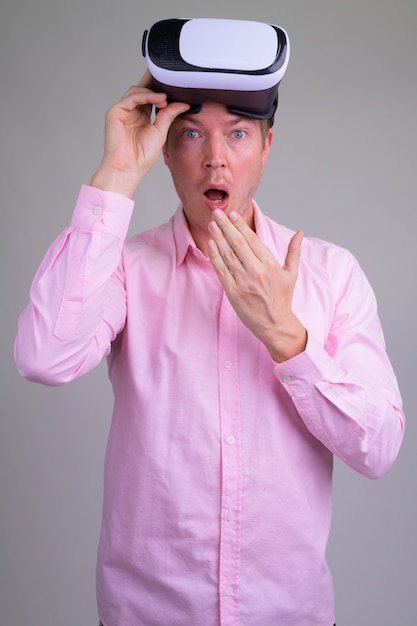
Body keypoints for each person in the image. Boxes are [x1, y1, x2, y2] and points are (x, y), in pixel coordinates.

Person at [14, 63, 404, 626]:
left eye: (239, 133)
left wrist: (286, 338)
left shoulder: (332, 273)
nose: (215, 158)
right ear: (167, 152)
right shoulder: (125, 269)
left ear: (267, 147)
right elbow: (43, 358)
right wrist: (117, 174)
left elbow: (379, 447)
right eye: (192, 133)